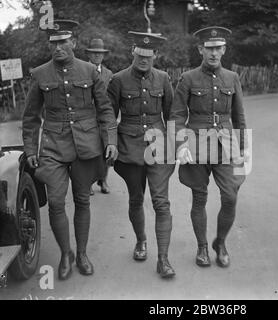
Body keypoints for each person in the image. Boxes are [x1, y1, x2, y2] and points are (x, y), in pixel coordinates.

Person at [22, 19, 118, 280]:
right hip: (53, 146)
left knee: (82, 200)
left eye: (63, 41)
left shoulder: (89, 71)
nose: (58, 47)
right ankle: (66, 253)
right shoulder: (40, 74)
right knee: (55, 201)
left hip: (86, 145)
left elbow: (105, 109)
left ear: (73, 43)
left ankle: (82, 253)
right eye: (53, 43)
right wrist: (31, 148)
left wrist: (110, 140)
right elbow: (31, 117)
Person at [169, 26, 249, 268]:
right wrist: (181, 145)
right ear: (200, 49)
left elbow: (239, 115)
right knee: (199, 198)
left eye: (218, 48)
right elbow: (177, 114)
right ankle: (202, 246)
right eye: (209, 48)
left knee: (230, 196)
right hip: (195, 143)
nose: (214, 53)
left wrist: (243, 147)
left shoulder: (232, 78)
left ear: (224, 50)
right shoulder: (188, 78)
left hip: (226, 144)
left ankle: (220, 242)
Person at [107, 31, 176, 278]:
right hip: (129, 149)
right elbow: (108, 117)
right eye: (140, 54)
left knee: (161, 202)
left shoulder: (164, 78)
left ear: (155, 55)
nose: (144, 59)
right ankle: (141, 241)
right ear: (132, 53)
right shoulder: (117, 80)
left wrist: (177, 144)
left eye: (149, 55)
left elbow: (172, 114)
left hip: (158, 148)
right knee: (136, 199)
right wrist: (111, 143)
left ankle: (164, 259)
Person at [85, 38, 113, 195]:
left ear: (103, 56)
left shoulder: (109, 74)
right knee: (88, 151)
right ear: (89, 54)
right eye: (94, 53)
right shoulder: (82, 70)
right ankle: (88, 182)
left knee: (106, 151)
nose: (97, 56)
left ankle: (103, 180)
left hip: (104, 118)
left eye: (100, 54)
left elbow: (113, 98)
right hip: (87, 118)